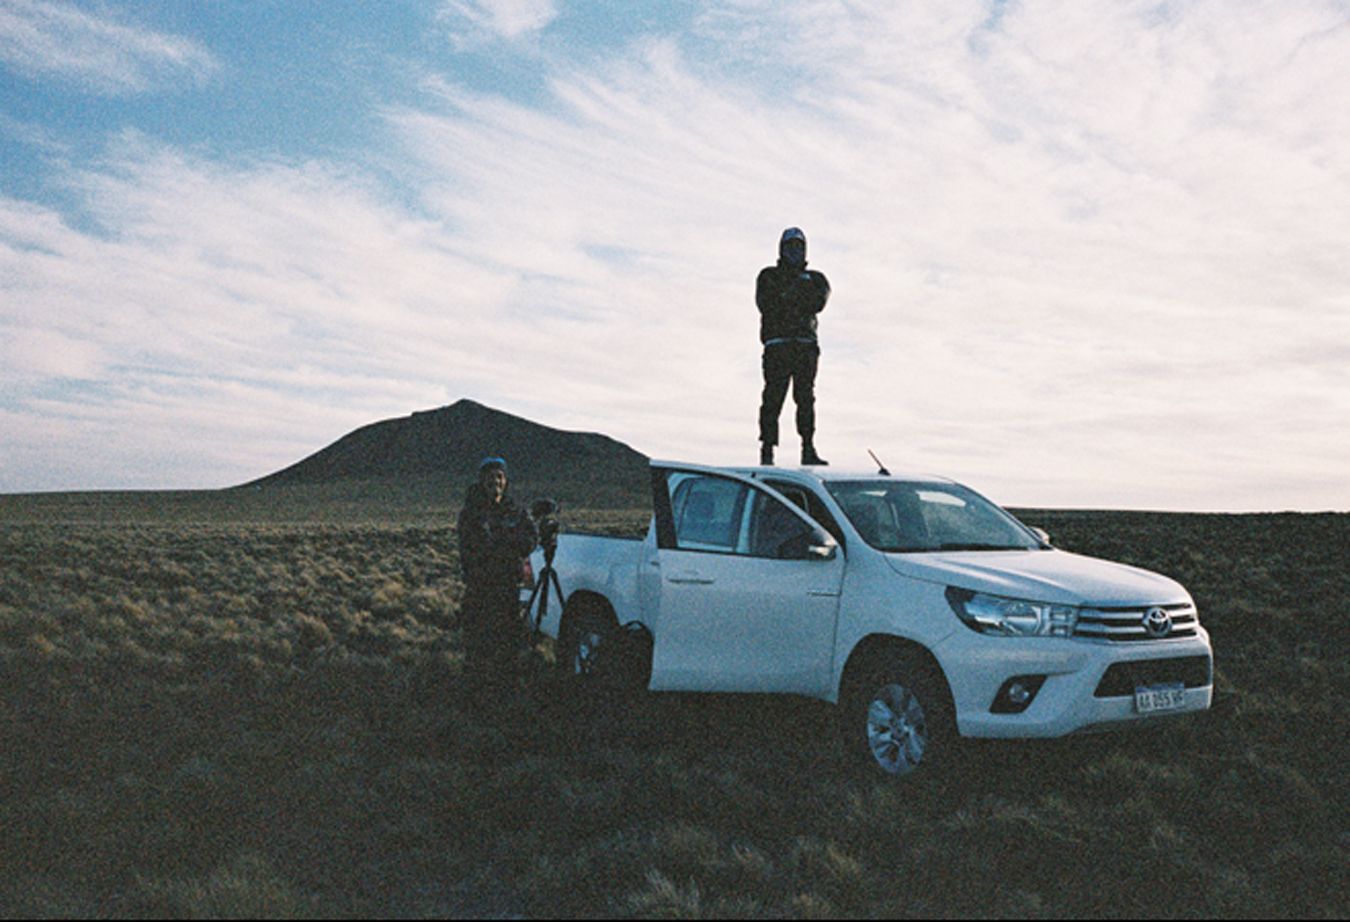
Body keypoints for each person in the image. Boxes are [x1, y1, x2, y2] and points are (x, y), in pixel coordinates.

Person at [456, 457, 538, 695]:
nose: (495, 481)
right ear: (481, 480)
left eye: (499, 476)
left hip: (507, 589)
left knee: (508, 642)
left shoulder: (515, 511)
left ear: (506, 481)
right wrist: (509, 543)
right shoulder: (471, 513)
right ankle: (473, 694)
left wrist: (502, 541)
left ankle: (505, 691)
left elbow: (530, 540)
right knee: (478, 643)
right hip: (480, 588)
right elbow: (473, 548)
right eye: (490, 476)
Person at [757, 226, 831, 465]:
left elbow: (818, 302)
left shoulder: (817, 279)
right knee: (773, 398)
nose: (795, 251)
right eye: (790, 246)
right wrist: (796, 295)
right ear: (782, 248)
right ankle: (767, 451)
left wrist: (790, 295)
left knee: (805, 398)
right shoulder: (768, 276)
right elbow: (767, 302)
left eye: (799, 246)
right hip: (777, 347)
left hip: (805, 347)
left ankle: (807, 448)